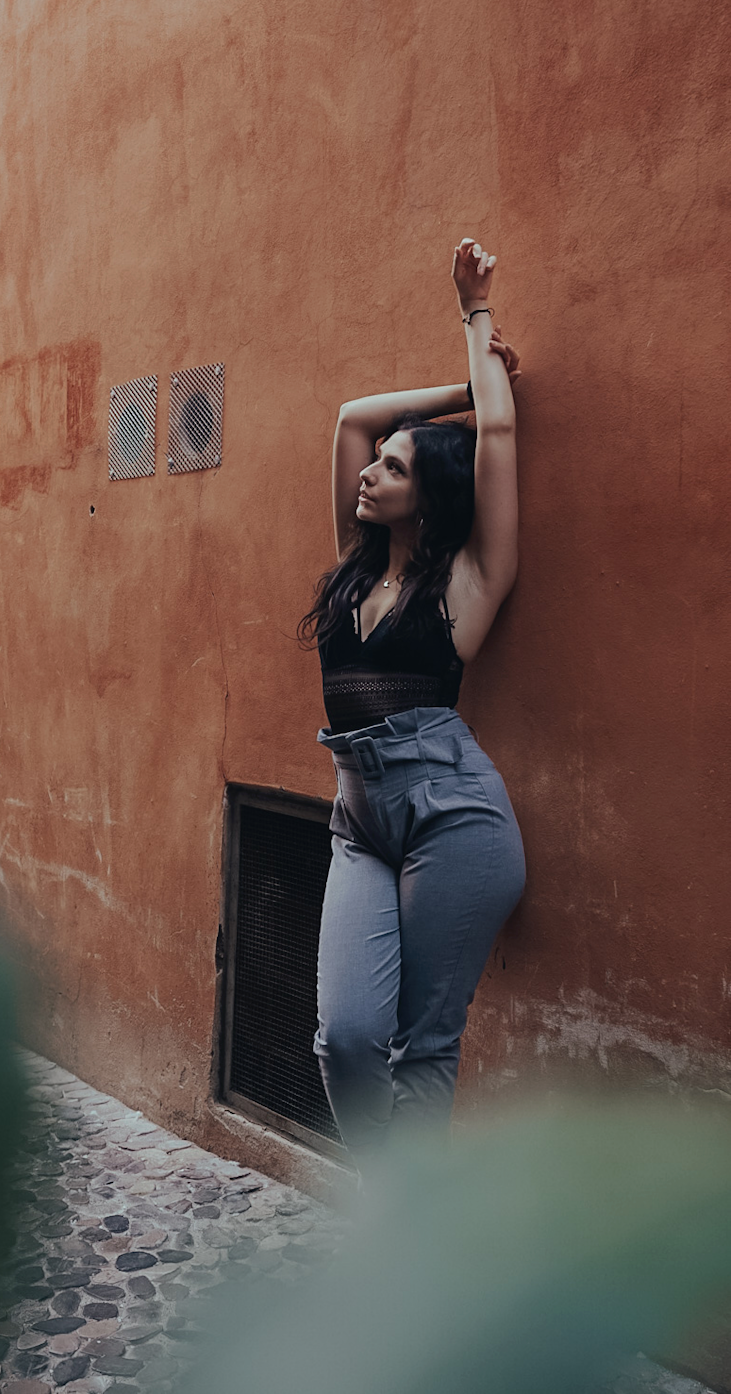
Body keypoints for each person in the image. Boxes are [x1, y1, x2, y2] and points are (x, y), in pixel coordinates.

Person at [299, 237, 526, 1160]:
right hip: (360, 819)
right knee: (348, 1041)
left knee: (422, 1051)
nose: (368, 473)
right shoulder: (353, 577)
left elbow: (501, 442)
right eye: (376, 465)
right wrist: (459, 395)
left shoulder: (468, 583)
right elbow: (352, 415)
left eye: (392, 469)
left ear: (429, 494)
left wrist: (475, 312)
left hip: (452, 817)